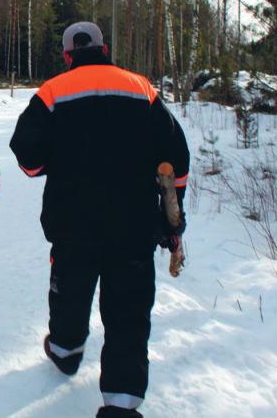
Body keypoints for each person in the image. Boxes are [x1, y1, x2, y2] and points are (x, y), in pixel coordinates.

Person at [10, 22, 190, 418]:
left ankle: (66, 352)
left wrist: (51, 159)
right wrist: (173, 214)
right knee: (128, 312)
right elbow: (176, 157)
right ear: (104, 48)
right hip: (134, 226)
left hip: (73, 224)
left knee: (69, 293)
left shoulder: (53, 92)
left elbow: (28, 156)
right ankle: (122, 404)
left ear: (68, 55)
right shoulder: (142, 89)